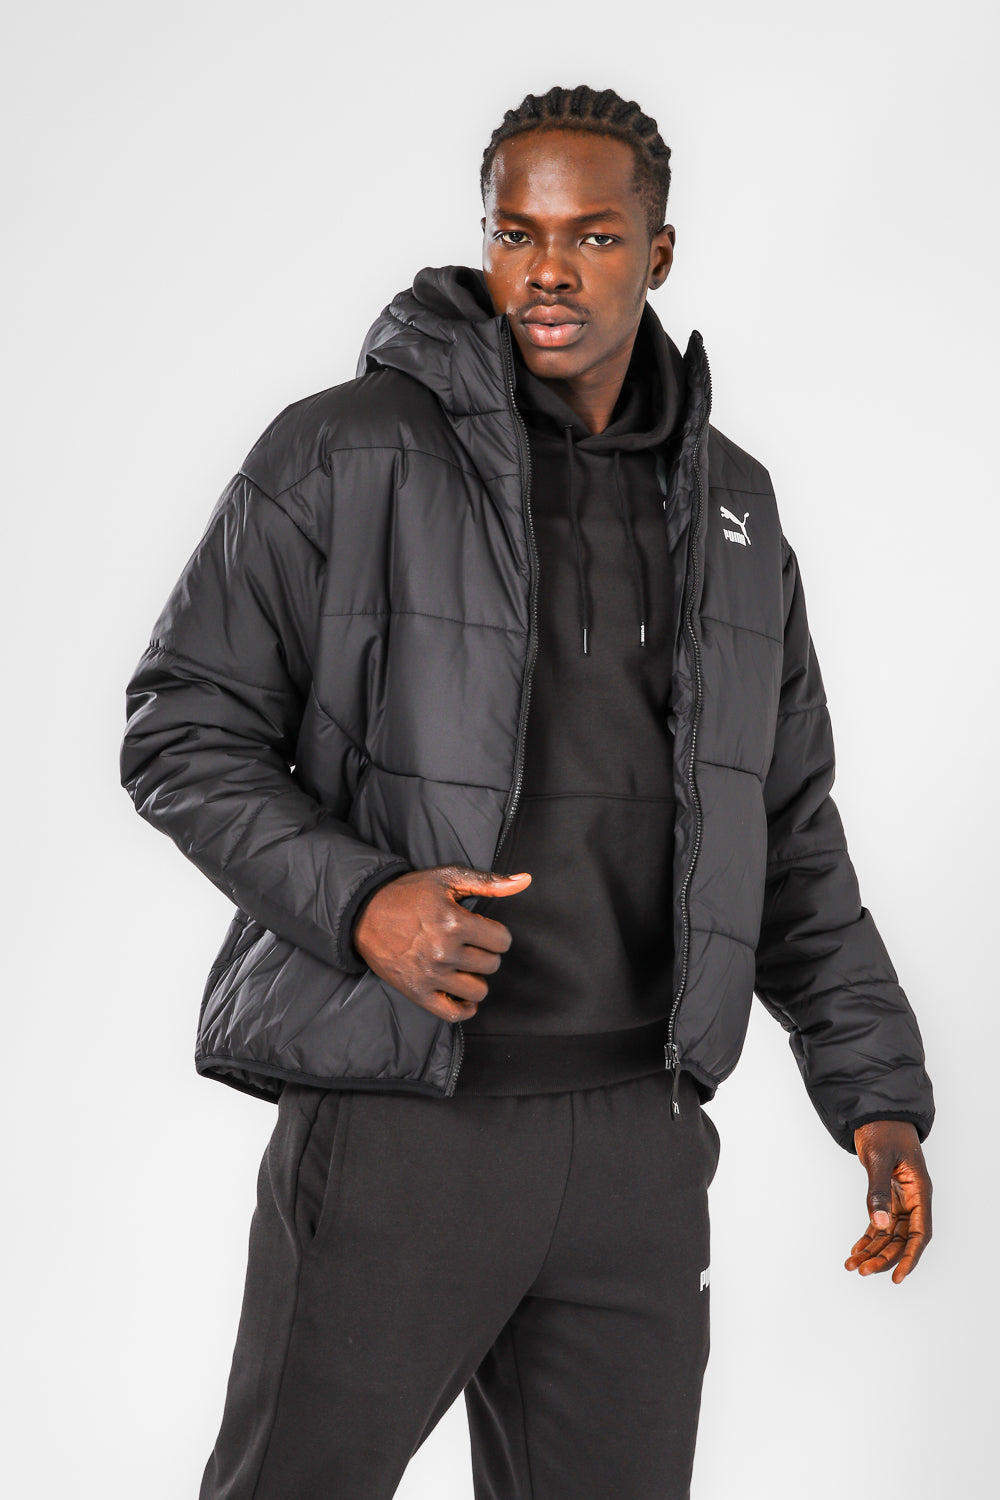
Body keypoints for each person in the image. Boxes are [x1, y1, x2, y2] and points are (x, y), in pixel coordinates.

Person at [120, 83, 935, 1500]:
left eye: (593, 236)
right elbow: (180, 728)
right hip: (404, 1123)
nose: (548, 270)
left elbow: (788, 827)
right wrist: (365, 904)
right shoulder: (346, 450)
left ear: (659, 253)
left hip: (636, 1141)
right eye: (518, 233)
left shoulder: (736, 509)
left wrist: (877, 1097)